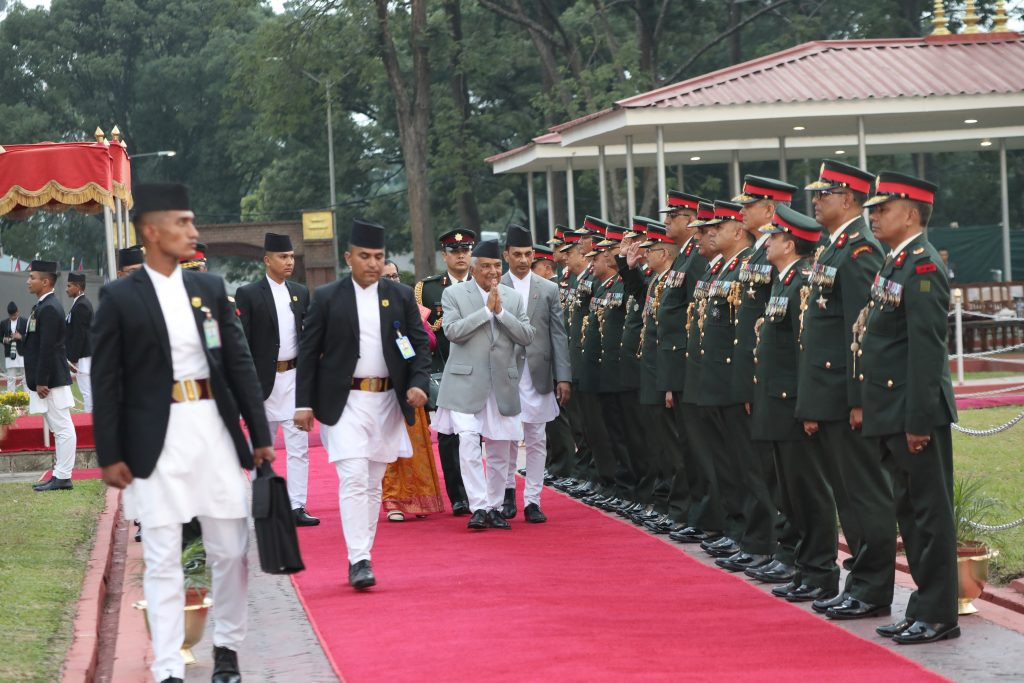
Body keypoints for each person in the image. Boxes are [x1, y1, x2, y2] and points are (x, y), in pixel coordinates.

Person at [92, 182, 274, 683]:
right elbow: (106, 381)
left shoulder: (209, 289)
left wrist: (259, 434)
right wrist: (110, 452)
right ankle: (169, 665)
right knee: (162, 555)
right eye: (183, 223)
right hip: (154, 439)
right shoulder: (119, 297)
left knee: (232, 549)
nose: (193, 231)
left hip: (212, 429)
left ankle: (228, 650)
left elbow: (237, 362)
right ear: (151, 231)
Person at [294, 219, 431, 590]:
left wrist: (419, 384)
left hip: (387, 401)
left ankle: (363, 552)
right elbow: (308, 354)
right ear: (348, 257)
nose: (372, 263)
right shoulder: (327, 298)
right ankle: (359, 559)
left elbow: (419, 346)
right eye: (365, 256)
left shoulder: (400, 296)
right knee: (353, 477)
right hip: (345, 401)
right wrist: (303, 403)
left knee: (372, 483)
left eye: (379, 257)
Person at [861, 172, 960, 644]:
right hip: (893, 410)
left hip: (914, 413)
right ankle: (922, 605)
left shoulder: (921, 266)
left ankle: (939, 613)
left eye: (883, 208)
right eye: (873, 209)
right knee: (910, 512)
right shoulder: (894, 262)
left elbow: (925, 350)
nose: (874, 216)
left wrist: (918, 420)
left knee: (929, 515)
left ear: (912, 213)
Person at [796, 160, 896, 617]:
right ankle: (859, 581)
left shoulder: (859, 251)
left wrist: (858, 399)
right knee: (848, 496)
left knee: (863, 495)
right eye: (816, 194)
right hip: (829, 393)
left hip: (847, 396)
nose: (815, 200)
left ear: (849, 198)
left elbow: (862, 332)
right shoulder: (831, 249)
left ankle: (873, 589)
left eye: (824, 193)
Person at [751, 205, 840, 601]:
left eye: (773, 237)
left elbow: (808, 349)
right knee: (790, 493)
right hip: (776, 401)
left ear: (789, 244)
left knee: (808, 493)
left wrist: (808, 405)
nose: (766, 242)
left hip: (792, 404)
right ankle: (805, 567)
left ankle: (821, 570)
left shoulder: (802, 282)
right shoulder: (782, 282)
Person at [434, 239, 535, 530]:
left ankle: (493, 506)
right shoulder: (454, 293)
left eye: (497, 266)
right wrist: (486, 311)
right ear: (475, 267)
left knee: (500, 445)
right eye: (487, 266)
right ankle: (477, 505)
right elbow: (453, 331)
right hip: (465, 383)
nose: (493, 272)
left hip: (501, 383)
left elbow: (527, 335)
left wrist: (502, 313)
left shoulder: (512, 298)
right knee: (467, 439)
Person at [235, 232, 317, 527]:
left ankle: (297, 505)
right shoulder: (249, 293)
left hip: (294, 378)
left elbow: (307, 337)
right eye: (283, 257)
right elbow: (241, 341)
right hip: (264, 382)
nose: (289, 262)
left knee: (299, 448)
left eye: (292, 257)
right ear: (267, 260)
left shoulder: (300, 292)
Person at [499, 225, 570, 523]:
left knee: (537, 437)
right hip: (505, 372)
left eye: (528, 254)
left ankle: (533, 499)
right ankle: (505, 493)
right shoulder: (495, 285)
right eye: (517, 254)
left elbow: (558, 335)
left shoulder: (548, 288)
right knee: (506, 437)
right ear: (506, 255)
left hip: (538, 372)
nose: (524, 260)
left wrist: (563, 376)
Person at [415, 228, 477, 516]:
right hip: (445, 369)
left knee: (479, 435)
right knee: (450, 437)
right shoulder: (427, 289)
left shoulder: (483, 283)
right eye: (455, 251)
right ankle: (459, 495)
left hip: (479, 369)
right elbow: (422, 335)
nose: (461, 255)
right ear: (445, 256)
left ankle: (483, 493)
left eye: (465, 250)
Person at [382, 259, 445, 522]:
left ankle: (420, 499)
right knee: (389, 447)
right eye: (387, 276)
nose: (392, 280)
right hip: (383, 387)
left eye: (395, 275)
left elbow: (428, 341)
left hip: (410, 384)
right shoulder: (369, 307)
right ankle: (394, 500)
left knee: (416, 443)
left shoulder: (408, 302)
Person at [25, 260, 77, 492]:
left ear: (45, 282)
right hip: (52, 375)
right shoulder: (44, 306)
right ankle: (59, 474)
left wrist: (42, 380)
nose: (28, 281)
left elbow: (47, 347)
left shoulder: (49, 308)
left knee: (63, 427)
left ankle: (64, 476)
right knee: (59, 427)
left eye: (32, 277)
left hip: (51, 379)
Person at [65, 272, 94, 412]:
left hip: (83, 355)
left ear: (78, 286)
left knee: (87, 391)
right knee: (87, 391)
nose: (66, 289)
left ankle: (90, 422)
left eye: (69, 286)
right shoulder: (78, 303)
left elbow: (79, 335)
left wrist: (73, 358)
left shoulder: (81, 305)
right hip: (82, 354)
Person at [2, 302, 27, 391]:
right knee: (11, 378)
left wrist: (20, 337)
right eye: (11, 315)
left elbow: (30, 336)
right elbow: (0, 337)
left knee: (26, 378)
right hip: (10, 353)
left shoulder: (25, 321)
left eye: (15, 314)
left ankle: (28, 397)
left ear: (18, 312)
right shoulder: (4, 323)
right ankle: (10, 399)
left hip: (22, 352)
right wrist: (5, 339)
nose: (13, 317)